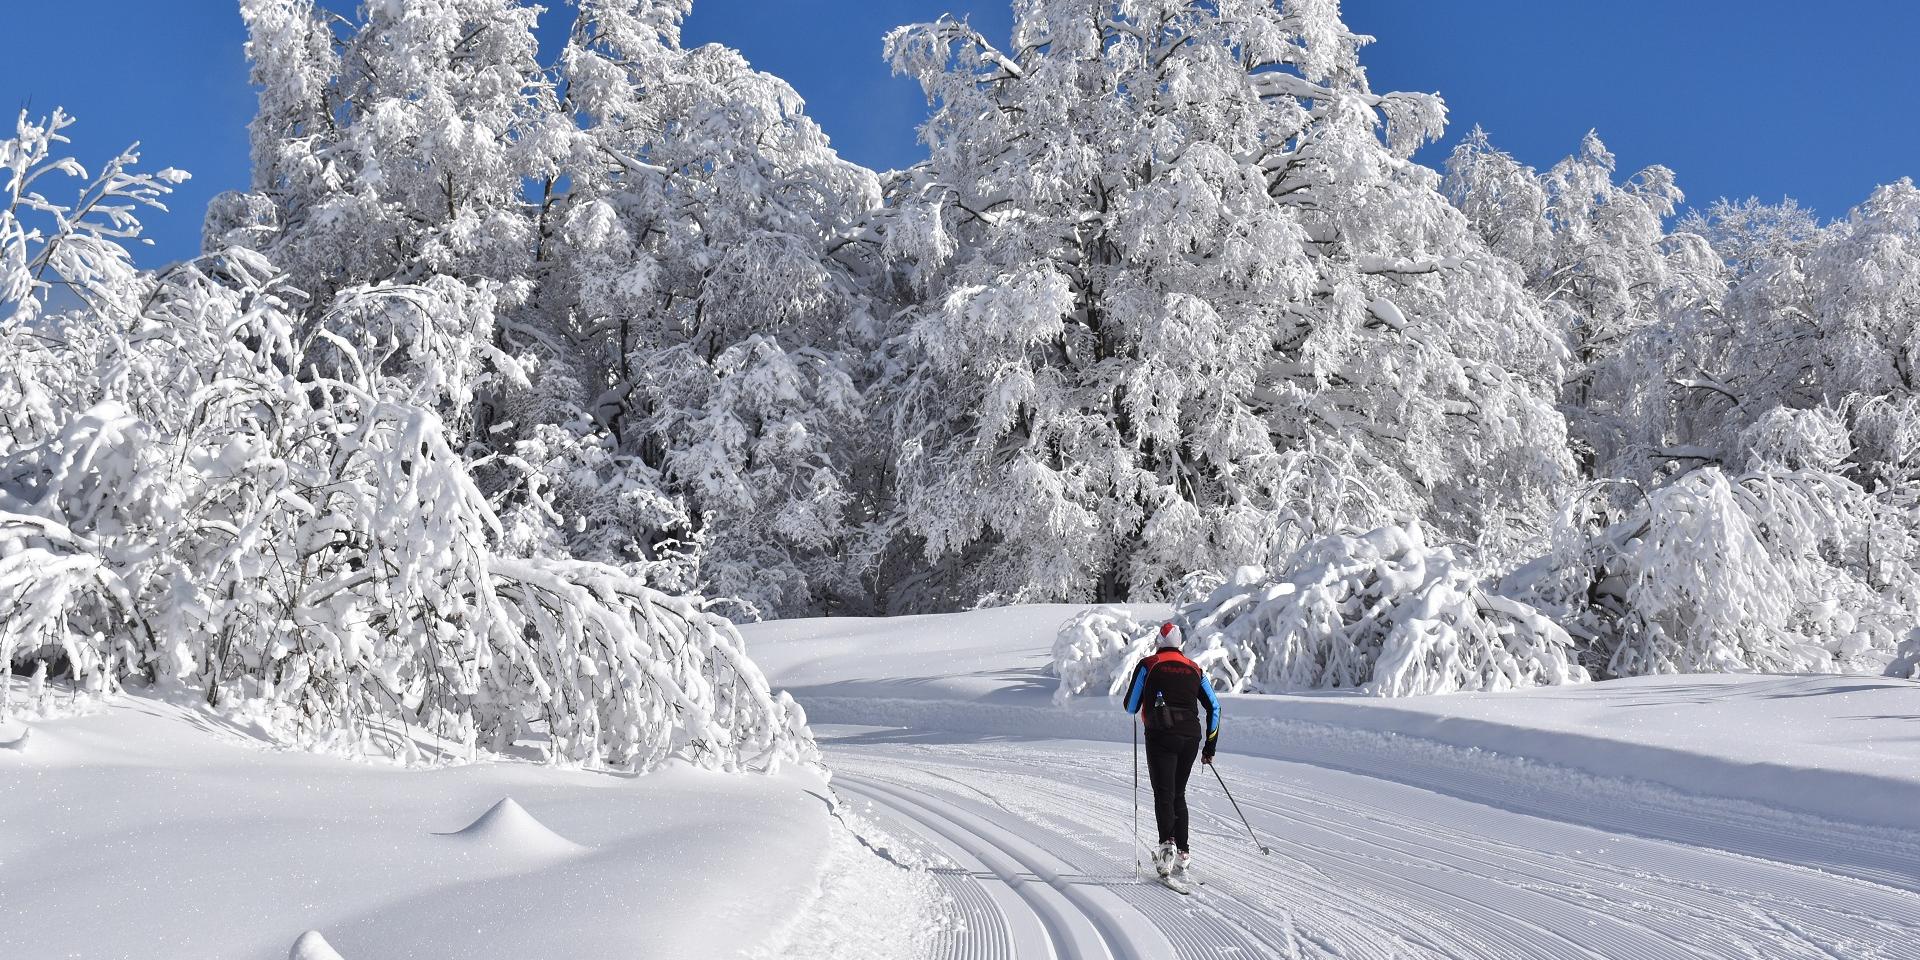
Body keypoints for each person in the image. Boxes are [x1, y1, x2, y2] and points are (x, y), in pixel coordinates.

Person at [1123, 621, 1221, 879]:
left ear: (1159, 642)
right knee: (1179, 793)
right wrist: (1210, 746)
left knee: (1163, 793)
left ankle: (1167, 847)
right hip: (1191, 737)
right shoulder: (1195, 669)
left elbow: (1131, 706)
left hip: (1160, 735)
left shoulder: (1148, 664)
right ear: (1180, 645)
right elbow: (1215, 707)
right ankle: (1183, 854)